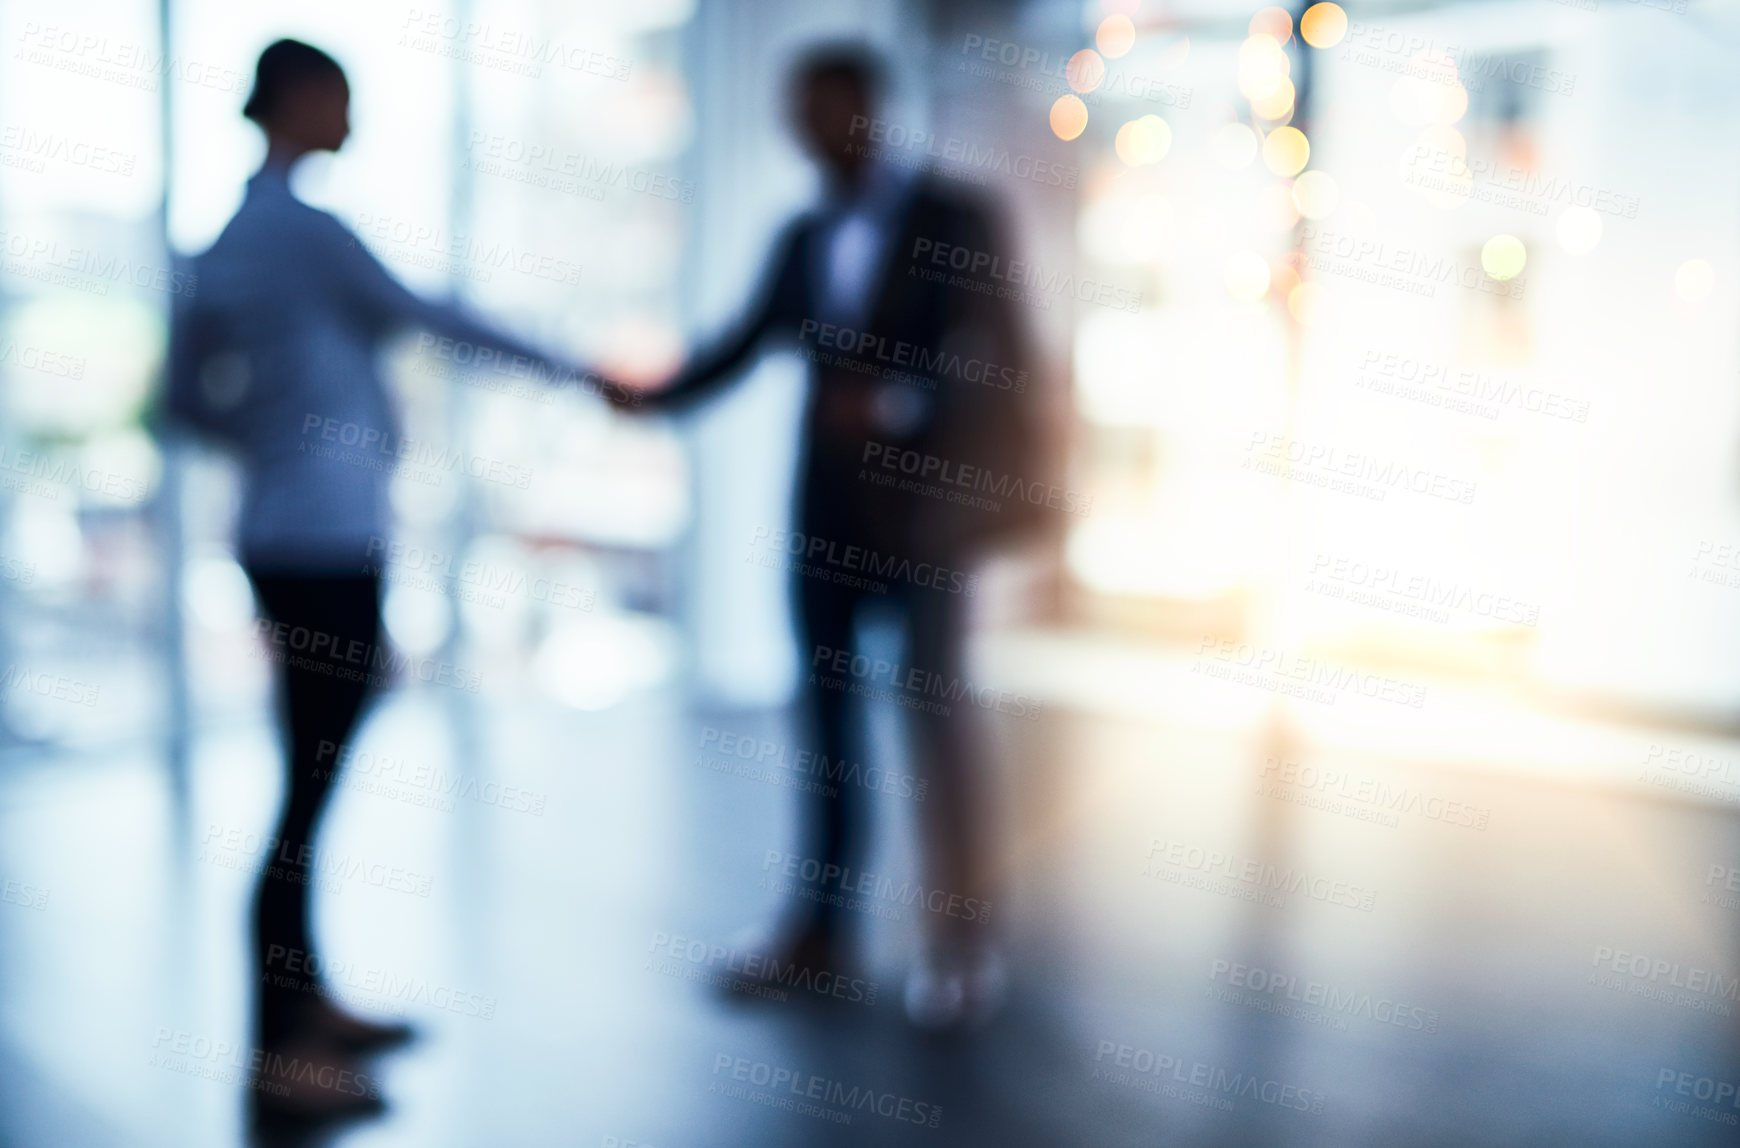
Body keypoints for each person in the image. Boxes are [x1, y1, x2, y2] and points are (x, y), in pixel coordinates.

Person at [165, 39, 607, 1121]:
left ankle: (306, 1006)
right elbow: (433, 314)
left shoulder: (225, 238)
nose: (354, 118)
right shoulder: (307, 235)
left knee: (305, 775)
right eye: (343, 99)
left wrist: (273, 436)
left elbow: (181, 401)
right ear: (300, 101)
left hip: (280, 532)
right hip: (321, 545)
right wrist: (583, 373)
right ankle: (281, 1052)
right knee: (305, 795)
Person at [620, 44, 1045, 1029]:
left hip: (930, 517)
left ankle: (962, 943)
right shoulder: (802, 235)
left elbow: (1006, 362)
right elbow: (735, 345)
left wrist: (900, 409)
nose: (810, 129)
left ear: (871, 111)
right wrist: (643, 397)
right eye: (798, 111)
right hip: (827, 522)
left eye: (827, 108)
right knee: (827, 732)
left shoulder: (957, 218)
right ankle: (819, 933)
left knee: (938, 725)